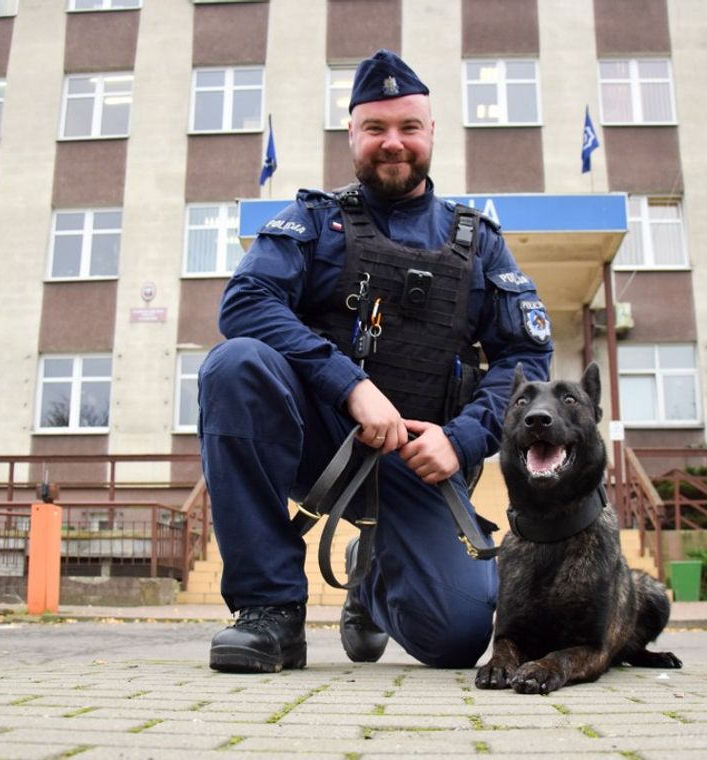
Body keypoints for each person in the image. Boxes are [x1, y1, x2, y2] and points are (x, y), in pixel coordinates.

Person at [198, 49, 553, 673]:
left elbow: (526, 356)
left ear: (432, 133)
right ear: (353, 135)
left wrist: (465, 440)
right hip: (325, 446)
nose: (393, 143)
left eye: (408, 127)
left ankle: (371, 582)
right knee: (235, 365)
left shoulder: (480, 242)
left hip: (423, 463)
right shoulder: (315, 220)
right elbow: (246, 301)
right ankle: (269, 611)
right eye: (376, 128)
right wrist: (350, 385)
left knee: (458, 639)